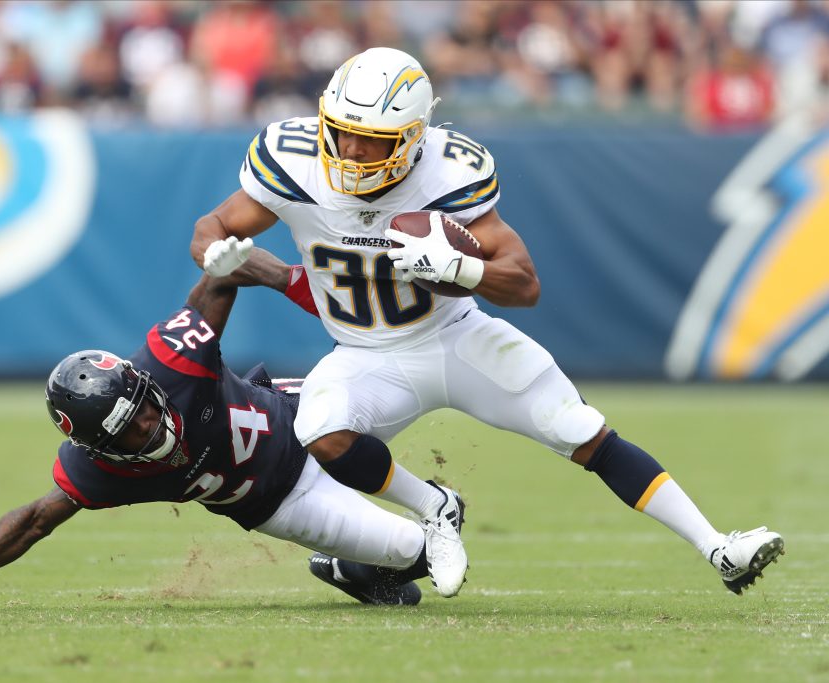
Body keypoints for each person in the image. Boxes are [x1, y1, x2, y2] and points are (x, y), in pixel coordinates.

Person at [190, 47, 785, 598]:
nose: (349, 151)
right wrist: (215, 253)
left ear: (412, 139)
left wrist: (461, 268)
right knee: (319, 429)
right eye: (342, 132)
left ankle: (718, 548)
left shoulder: (447, 173)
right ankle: (434, 508)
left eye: (371, 141)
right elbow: (212, 226)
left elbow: (524, 284)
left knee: (580, 430)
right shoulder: (294, 161)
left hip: (455, 338)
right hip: (366, 355)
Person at [0, 248, 447, 611]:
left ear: (143, 383)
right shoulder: (97, 470)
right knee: (425, 553)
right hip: (284, 501)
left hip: (296, 416)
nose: (149, 424)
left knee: (445, 501)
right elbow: (32, 522)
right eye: (128, 432)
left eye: (143, 408)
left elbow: (222, 277)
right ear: (99, 448)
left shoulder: (173, 360)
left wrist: (273, 273)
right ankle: (351, 569)